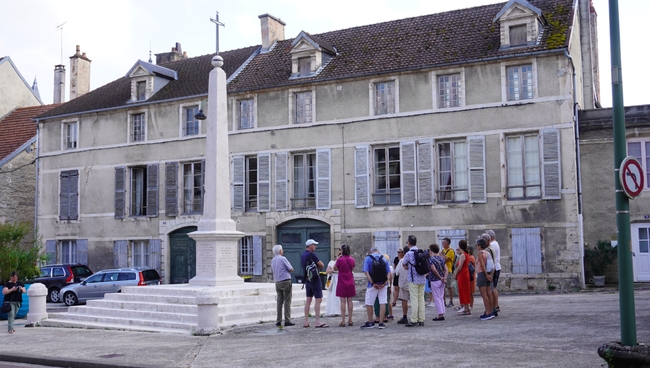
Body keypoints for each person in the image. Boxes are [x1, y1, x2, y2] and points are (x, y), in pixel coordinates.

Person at [361, 246, 391, 329]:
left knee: (369, 303)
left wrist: (373, 283)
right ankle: (381, 323)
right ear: (378, 252)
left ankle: (370, 322)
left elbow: (366, 272)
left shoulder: (368, 258)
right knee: (382, 302)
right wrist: (385, 283)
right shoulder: (384, 259)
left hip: (372, 285)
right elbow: (389, 273)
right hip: (383, 285)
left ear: (371, 252)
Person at [301, 239, 327, 328]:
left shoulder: (303, 255)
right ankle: (317, 321)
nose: (315, 246)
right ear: (310, 246)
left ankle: (306, 321)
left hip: (307, 280)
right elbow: (322, 265)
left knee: (308, 300)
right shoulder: (312, 255)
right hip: (315, 279)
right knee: (318, 300)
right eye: (314, 245)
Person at [402, 235, 426, 327]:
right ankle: (421, 319)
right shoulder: (420, 252)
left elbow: (404, 263)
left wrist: (408, 266)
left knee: (414, 300)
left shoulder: (408, 253)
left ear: (408, 243)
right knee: (421, 299)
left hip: (413, 279)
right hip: (422, 278)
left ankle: (414, 319)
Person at [271, 245, 294, 328]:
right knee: (287, 300)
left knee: (279, 301)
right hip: (285, 280)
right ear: (280, 251)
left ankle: (278, 320)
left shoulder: (273, 260)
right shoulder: (283, 258)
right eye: (282, 250)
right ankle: (287, 320)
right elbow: (291, 268)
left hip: (277, 282)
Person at [334, 244, 356, 327]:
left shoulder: (340, 260)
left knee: (342, 301)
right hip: (350, 280)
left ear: (342, 251)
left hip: (342, 280)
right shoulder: (352, 259)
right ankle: (350, 319)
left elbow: (335, 268)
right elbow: (353, 267)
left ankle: (343, 320)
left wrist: (337, 259)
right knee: (350, 301)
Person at [476, 238, 495, 321]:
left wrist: (486, 275)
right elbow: (492, 264)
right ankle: (490, 311)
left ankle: (487, 312)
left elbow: (482, 265)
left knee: (484, 295)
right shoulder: (487, 252)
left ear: (480, 246)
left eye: (477, 245)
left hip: (482, 274)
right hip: (488, 273)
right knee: (489, 294)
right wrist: (490, 274)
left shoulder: (480, 253)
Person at [428, 243, 448, 321]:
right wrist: (444, 278)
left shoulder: (431, 259)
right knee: (441, 297)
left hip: (434, 279)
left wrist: (440, 277)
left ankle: (440, 315)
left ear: (431, 250)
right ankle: (442, 312)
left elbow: (433, 269)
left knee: (436, 298)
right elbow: (446, 269)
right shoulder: (441, 258)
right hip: (442, 280)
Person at [453, 240, 471, 316]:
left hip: (462, 274)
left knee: (463, 291)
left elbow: (460, 267)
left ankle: (466, 308)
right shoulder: (466, 254)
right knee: (465, 290)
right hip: (465, 273)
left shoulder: (463, 255)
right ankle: (466, 307)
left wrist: (456, 274)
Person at [486, 229, 501, 315]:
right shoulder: (495, 243)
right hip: (496, 266)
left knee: (492, 288)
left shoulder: (492, 244)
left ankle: (494, 306)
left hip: (494, 267)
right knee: (493, 287)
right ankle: (496, 305)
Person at [394, 246, 410, 324]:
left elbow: (397, 272)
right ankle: (417, 316)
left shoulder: (402, 261)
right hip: (413, 282)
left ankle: (405, 316)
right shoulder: (414, 259)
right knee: (415, 300)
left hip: (404, 282)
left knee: (404, 300)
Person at [325, 250, 341, 317]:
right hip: (333, 280)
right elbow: (327, 271)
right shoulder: (332, 262)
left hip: (340, 280)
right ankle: (333, 310)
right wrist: (334, 269)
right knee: (333, 296)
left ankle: (340, 310)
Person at [441, 237, 456, 308]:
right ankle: (443, 301)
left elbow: (445, 259)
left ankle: (451, 301)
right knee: (442, 286)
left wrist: (441, 255)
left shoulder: (451, 251)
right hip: (442, 270)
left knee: (449, 286)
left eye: (444, 242)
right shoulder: (442, 250)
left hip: (448, 270)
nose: (442, 244)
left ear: (447, 243)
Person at [467, 245, 477, 311]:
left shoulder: (471, 258)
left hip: (471, 276)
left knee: (471, 292)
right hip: (470, 276)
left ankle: (471, 305)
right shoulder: (471, 257)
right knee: (469, 291)